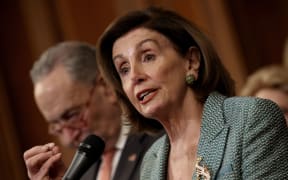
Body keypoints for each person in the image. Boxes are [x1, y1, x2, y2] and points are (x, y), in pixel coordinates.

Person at [96, 7, 288, 180]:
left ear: (191, 61)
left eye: (148, 57)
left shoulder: (249, 119)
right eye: (124, 69)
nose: (134, 76)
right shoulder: (151, 160)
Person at [23, 41, 161, 180]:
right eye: (56, 126)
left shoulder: (162, 142)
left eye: (72, 115)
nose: (68, 139)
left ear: (106, 87)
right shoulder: (78, 174)